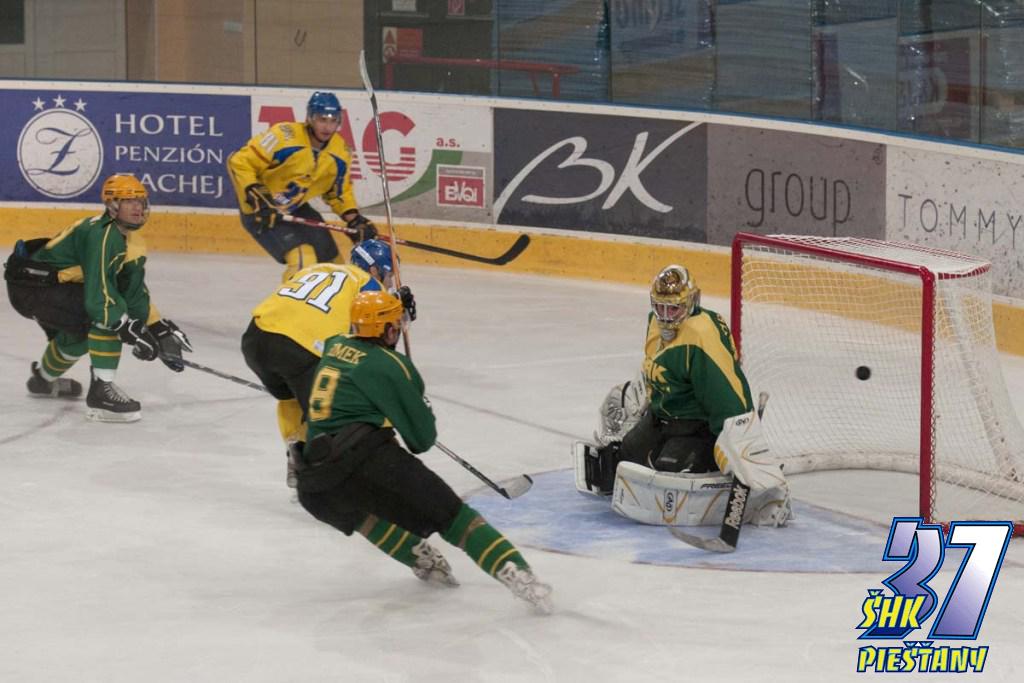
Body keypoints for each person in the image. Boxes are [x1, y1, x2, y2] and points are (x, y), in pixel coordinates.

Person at [293, 290, 553, 613]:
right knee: (454, 517)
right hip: (366, 460)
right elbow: (421, 439)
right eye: (396, 323)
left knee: (362, 513)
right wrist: (417, 400)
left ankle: (419, 557)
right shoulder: (390, 365)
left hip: (313, 480)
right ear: (389, 330)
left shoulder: (334, 345)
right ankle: (517, 573)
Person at [575, 264, 791, 528]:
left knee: (670, 475)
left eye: (674, 309)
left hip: (696, 426)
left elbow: (729, 396)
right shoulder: (654, 322)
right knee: (619, 463)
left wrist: (741, 445)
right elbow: (655, 369)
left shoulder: (702, 336)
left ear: (691, 302)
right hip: (661, 418)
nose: (666, 317)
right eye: (661, 307)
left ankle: (754, 486)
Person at [3, 173, 192, 423]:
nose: (138, 207)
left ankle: (43, 380)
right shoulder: (100, 235)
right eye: (129, 201)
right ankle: (102, 393)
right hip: (31, 289)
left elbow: (134, 294)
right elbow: (100, 298)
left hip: (54, 288)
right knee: (108, 316)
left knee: (83, 334)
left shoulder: (134, 242)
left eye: (140, 201)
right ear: (112, 206)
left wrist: (158, 329)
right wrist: (126, 327)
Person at [241, 239, 415, 487]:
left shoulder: (317, 269)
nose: (388, 283)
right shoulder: (368, 284)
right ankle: (330, 478)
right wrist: (400, 313)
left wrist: (395, 305)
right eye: (387, 276)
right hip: (300, 348)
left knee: (292, 395)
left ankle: (296, 449)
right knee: (337, 411)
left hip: (256, 339)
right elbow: (376, 345)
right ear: (374, 269)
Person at [226, 90, 378, 281]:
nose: (327, 126)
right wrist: (254, 195)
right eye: (322, 119)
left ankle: (337, 300)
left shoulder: (340, 151)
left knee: (334, 266)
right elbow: (238, 162)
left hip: (295, 208)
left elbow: (338, 193)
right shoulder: (283, 136)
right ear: (310, 118)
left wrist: (354, 220)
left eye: (333, 120)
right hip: (262, 213)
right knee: (303, 259)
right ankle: (289, 301)